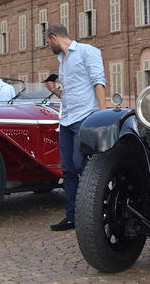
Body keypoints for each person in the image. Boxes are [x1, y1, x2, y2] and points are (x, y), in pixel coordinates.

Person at [43, 23, 106, 231]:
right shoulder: (62, 61)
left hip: (85, 118)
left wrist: (103, 116)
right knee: (68, 170)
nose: (48, 46)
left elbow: (99, 82)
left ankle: (96, 213)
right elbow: (69, 97)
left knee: (84, 168)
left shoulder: (88, 52)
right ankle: (71, 217)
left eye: (47, 42)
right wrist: (55, 91)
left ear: (53, 37)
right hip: (67, 120)